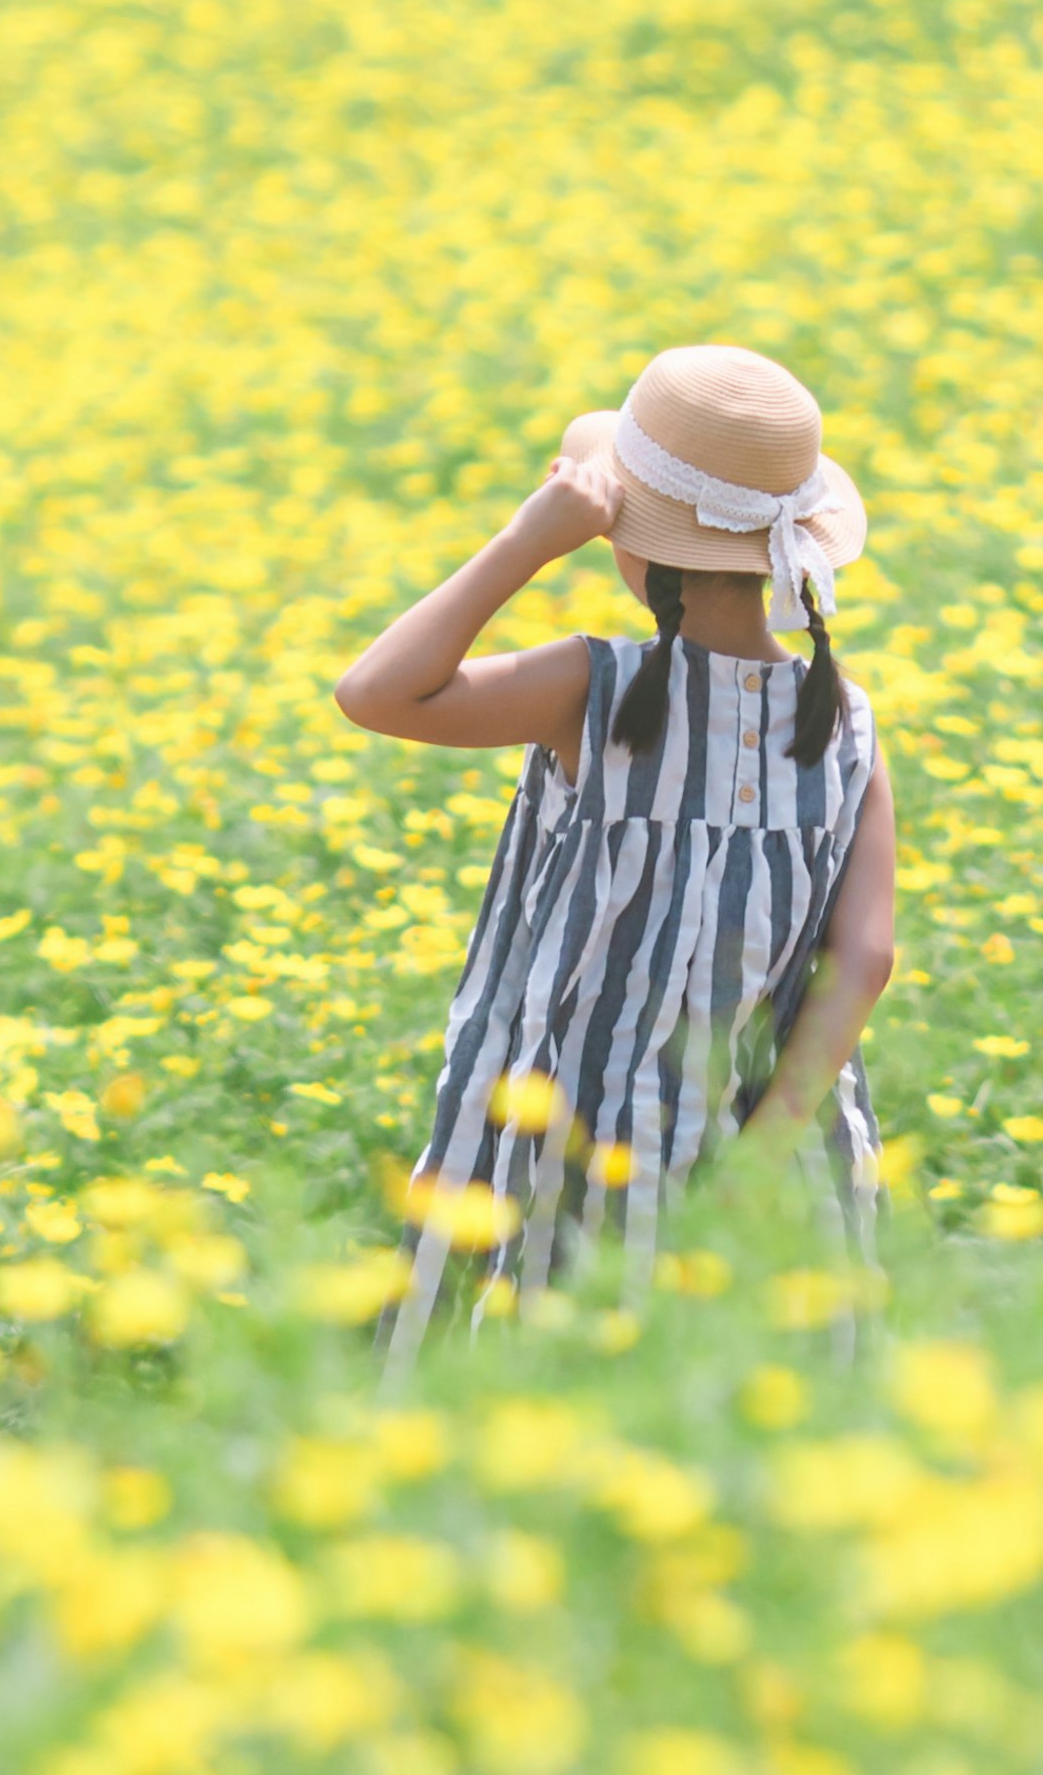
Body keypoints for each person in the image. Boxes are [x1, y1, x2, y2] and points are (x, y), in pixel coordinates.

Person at [335, 342, 899, 1352]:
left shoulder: (589, 688)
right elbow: (867, 957)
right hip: (781, 1142)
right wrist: (765, 1153)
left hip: (579, 1136)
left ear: (632, 544)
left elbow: (374, 692)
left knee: (546, 1383)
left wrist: (524, 542)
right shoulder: (843, 717)